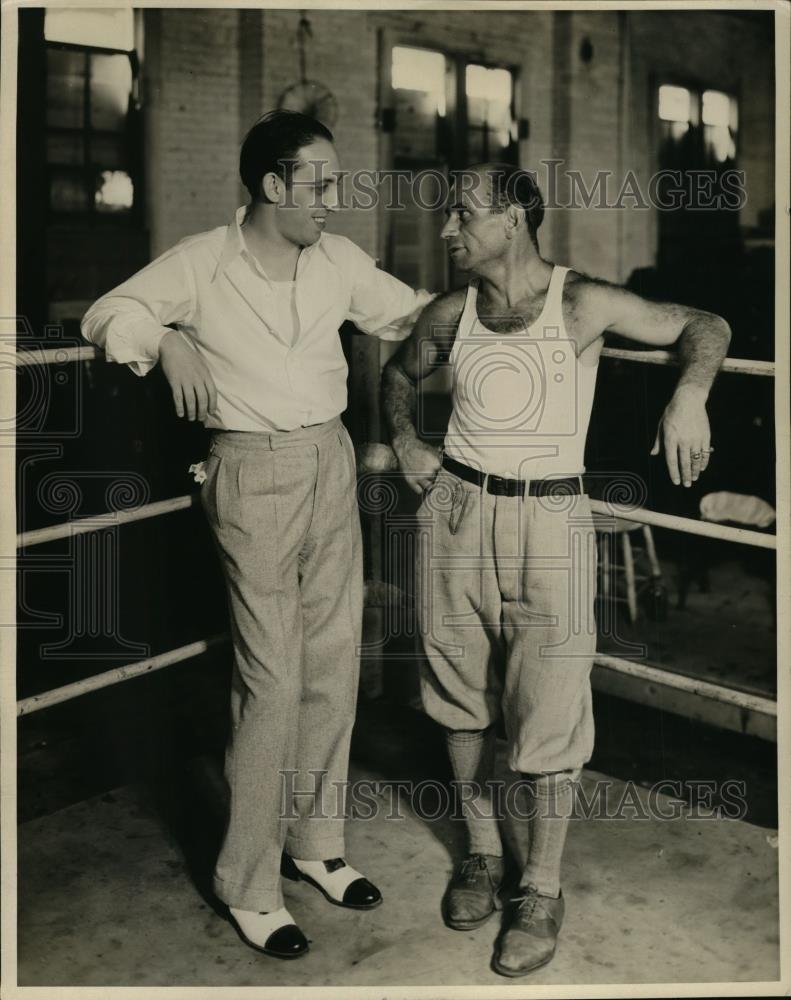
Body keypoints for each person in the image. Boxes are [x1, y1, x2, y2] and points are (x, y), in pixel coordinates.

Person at [81, 110, 433, 960]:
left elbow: (411, 315)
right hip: (249, 472)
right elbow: (106, 314)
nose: (333, 201)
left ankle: (314, 844)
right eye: (319, 185)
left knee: (330, 661)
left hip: (330, 462)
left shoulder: (338, 260)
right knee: (271, 678)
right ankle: (247, 882)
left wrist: (524, 312)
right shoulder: (203, 263)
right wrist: (163, 339)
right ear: (273, 186)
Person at [381, 162, 730, 978]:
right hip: (457, 511)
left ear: (512, 219)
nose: (447, 231)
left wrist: (689, 396)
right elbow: (398, 375)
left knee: (550, 702)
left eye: (462, 215)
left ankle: (539, 885)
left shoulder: (583, 302)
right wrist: (403, 437)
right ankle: (478, 853)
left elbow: (705, 325)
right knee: (457, 694)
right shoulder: (448, 311)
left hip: (550, 518)